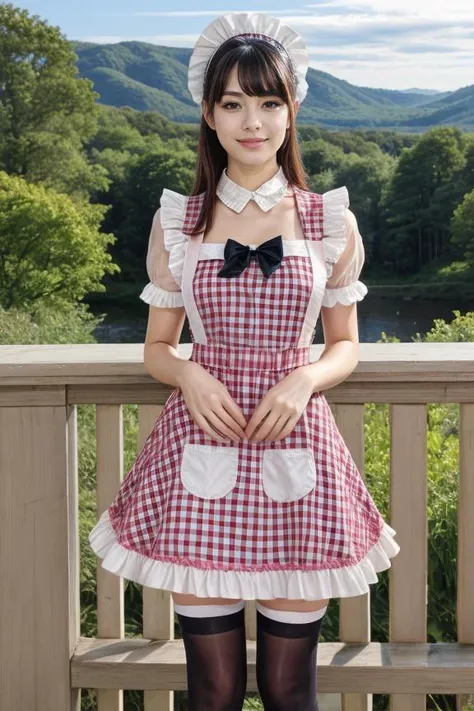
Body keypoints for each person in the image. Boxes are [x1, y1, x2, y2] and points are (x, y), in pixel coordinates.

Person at [89, 11, 400, 710]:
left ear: (292, 110)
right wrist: (189, 370)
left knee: (292, 688)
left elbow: (345, 343)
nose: (251, 120)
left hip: (300, 452)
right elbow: (157, 348)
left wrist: (306, 376)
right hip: (202, 449)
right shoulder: (181, 220)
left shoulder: (328, 219)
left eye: (268, 102)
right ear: (209, 112)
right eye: (233, 102)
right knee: (214, 688)